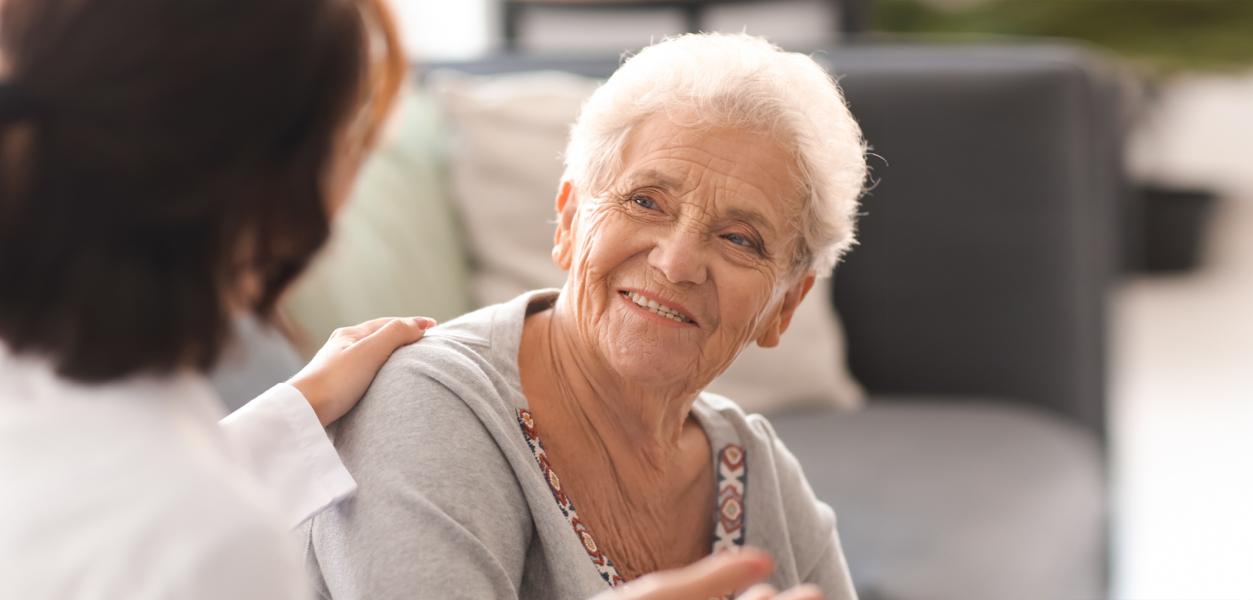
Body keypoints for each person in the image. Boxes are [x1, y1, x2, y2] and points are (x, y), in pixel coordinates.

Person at [0, 1, 800, 598]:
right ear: (286, 194)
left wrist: (291, 416)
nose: (679, 258)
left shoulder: (74, 421)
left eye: (740, 239)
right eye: (355, 141)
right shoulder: (210, 542)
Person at [305, 33, 868, 600]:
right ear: (570, 222)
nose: (676, 263)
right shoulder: (429, 403)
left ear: (786, 306)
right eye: (646, 201)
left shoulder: (758, 472)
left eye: (739, 239)